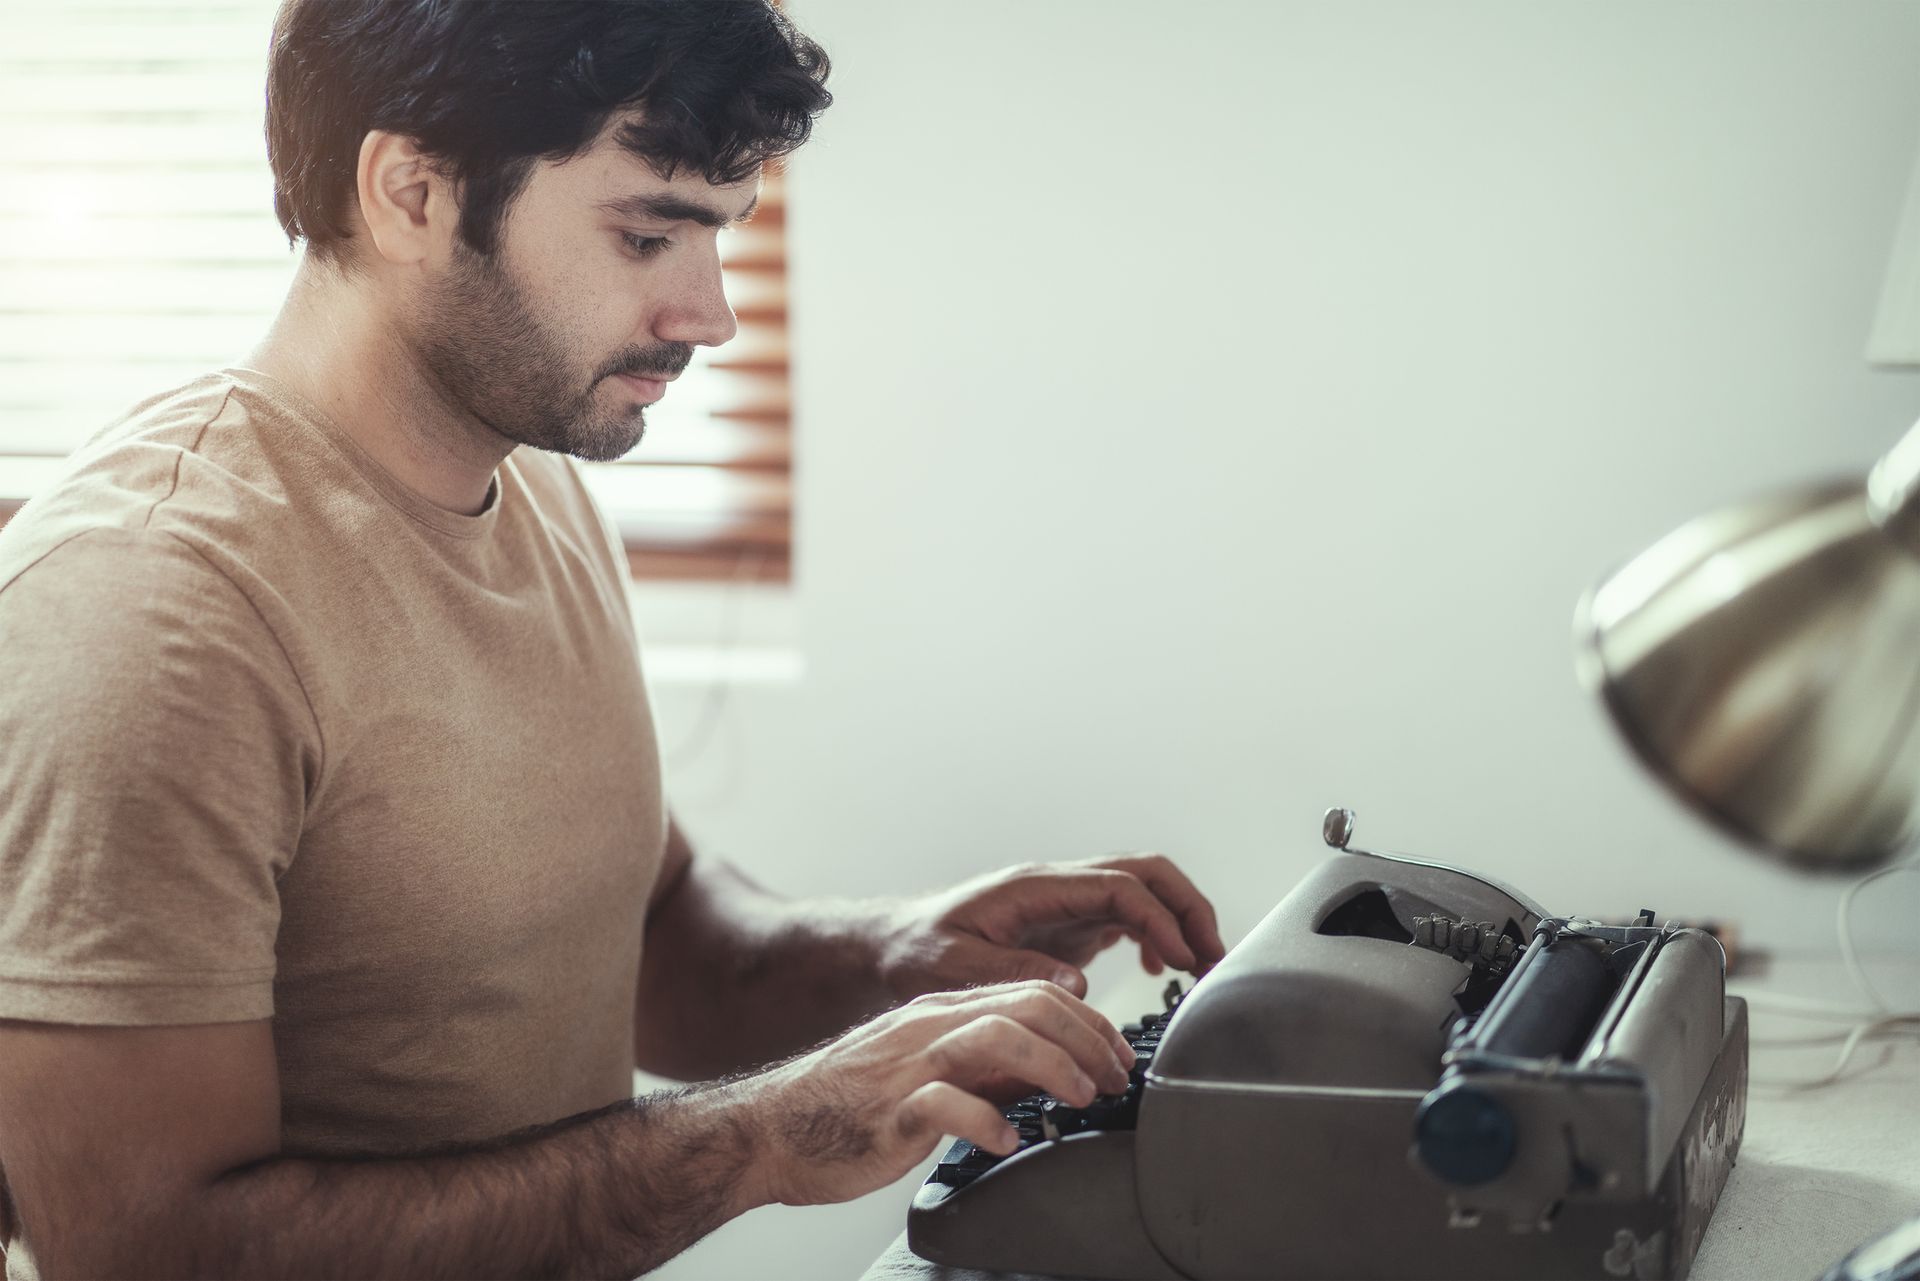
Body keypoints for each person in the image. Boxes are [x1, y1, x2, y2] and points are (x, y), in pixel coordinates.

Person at [0, 2, 1226, 1277]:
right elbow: (151, 1250)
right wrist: (758, 1139)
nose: (710, 315)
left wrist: (893, 956)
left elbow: (647, 932)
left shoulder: (533, 481)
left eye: (720, 236)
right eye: (648, 233)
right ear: (411, 192)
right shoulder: (153, 608)